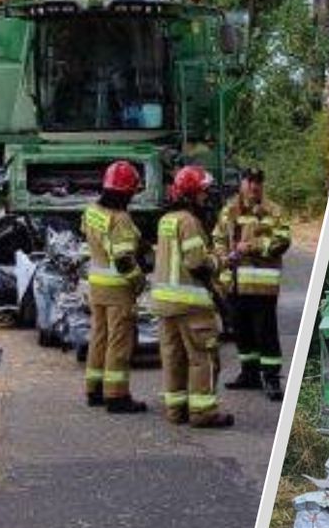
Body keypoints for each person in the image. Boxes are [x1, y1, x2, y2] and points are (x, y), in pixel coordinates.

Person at [150, 165, 234, 428]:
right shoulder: (189, 221)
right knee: (203, 357)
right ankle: (203, 412)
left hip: (165, 305)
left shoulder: (167, 220)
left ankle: (176, 410)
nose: (205, 197)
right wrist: (220, 260)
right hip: (191, 304)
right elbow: (197, 262)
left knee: (173, 358)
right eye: (203, 192)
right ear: (192, 193)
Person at [214, 168, 290, 401]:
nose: (254, 186)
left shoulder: (273, 211)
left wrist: (253, 247)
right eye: (249, 181)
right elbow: (218, 238)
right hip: (235, 284)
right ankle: (249, 374)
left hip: (262, 286)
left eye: (258, 182)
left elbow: (282, 241)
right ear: (242, 184)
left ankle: (271, 378)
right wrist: (223, 257)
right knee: (241, 330)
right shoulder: (229, 210)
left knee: (265, 332)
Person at [81, 161, 148, 413]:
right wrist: (139, 280)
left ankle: (94, 389)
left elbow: (89, 237)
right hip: (118, 290)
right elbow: (123, 261)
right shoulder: (120, 220)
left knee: (99, 338)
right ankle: (117, 396)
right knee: (119, 342)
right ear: (125, 192)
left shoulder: (92, 211)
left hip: (96, 287)